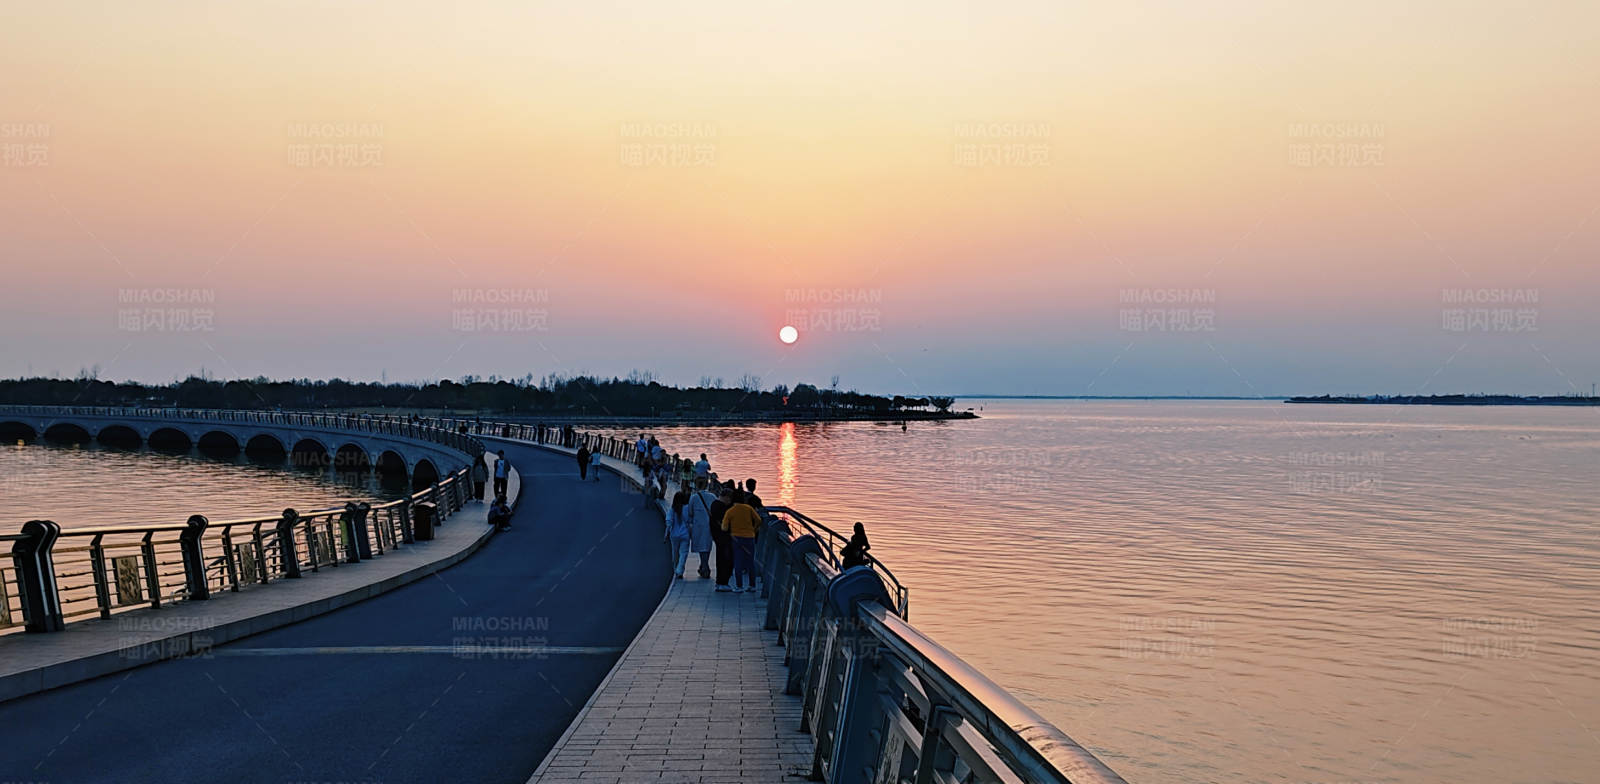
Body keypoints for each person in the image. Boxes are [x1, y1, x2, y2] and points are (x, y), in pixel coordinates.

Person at [721, 490, 763, 592]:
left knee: (738, 562)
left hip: (736, 538)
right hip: (750, 537)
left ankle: (739, 586)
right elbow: (759, 520)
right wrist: (754, 529)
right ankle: (752, 586)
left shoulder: (730, 511)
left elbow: (724, 528)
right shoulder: (749, 509)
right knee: (750, 562)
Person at [685, 478, 717, 580]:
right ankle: (704, 565)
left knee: (701, 546)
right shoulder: (712, 496)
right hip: (710, 525)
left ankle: (704, 566)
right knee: (707, 546)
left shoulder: (693, 498)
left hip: (698, 526)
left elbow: (690, 512)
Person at [708, 484, 733, 588]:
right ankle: (723, 582)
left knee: (720, 558)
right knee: (726, 560)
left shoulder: (714, 505)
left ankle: (720, 582)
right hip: (724, 536)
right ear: (726, 497)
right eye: (730, 499)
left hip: (717, 536)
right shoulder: (722, 508)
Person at [667, 484, 692, 578]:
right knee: (684, 553)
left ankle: (676, 570)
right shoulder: (687, 508)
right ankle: (680, 569)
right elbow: (690, 520)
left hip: (674, 535)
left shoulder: (672, 510)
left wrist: (666, 534)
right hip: (685, 534)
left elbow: (669, 522)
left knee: (675, 552)